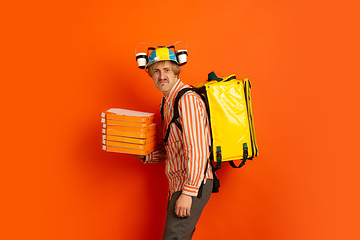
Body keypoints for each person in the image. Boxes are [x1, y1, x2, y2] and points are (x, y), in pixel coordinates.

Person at [140, 47, 214, 240]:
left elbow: (197, 148)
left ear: (175, 70)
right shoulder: (167, 102)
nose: (161, 75)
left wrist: (188, 193)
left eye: (166, 69)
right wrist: (139, 151)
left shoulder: (186, 99)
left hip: (192, 185)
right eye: (156, 71)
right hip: (179, 185)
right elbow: (169, 149)